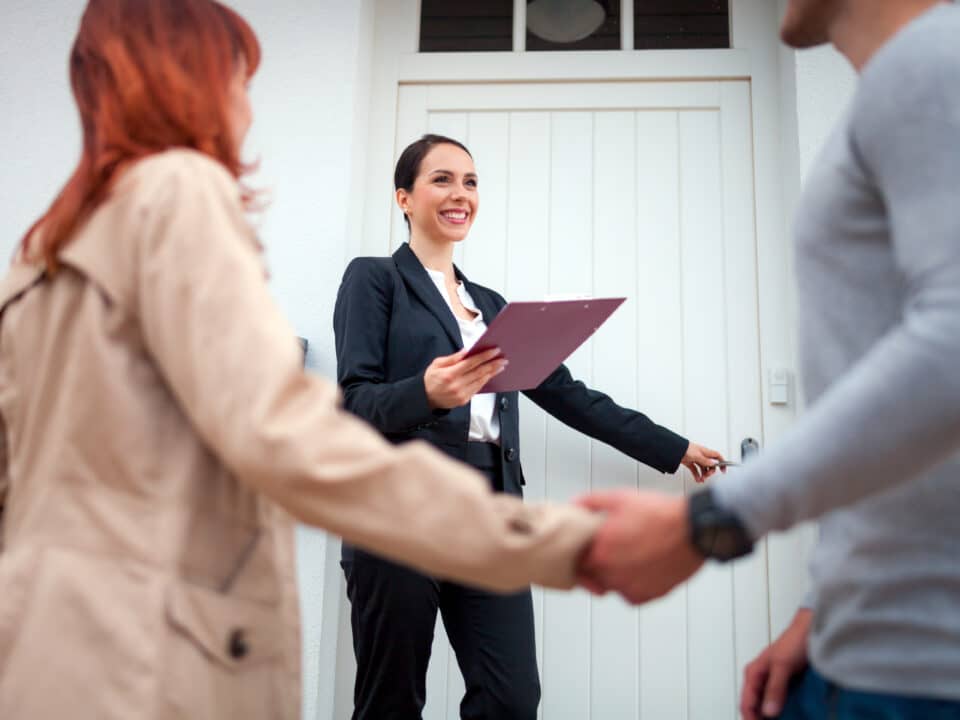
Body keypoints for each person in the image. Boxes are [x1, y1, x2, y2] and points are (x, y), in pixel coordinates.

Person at [0, 3, 601, 719]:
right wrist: (556, 539)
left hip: (47, 623)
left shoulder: (46, 245)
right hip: (153, 624)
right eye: (238, 82)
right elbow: (293, 432)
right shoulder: (179, 196)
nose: (247, 111)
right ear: (189, 84)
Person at [576, 1, 960, 719]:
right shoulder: (899, 87)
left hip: (924, 676)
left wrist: (709, 522)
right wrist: (821, 614)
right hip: (861, 646)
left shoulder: (930, 63)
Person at [333, 132, 725, 720]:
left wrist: (675, 447)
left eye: (470, 181)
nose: (460, 193)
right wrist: (426, 392)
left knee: (512, 698)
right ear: (404, 198)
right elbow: (353, 404)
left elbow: (570, 397)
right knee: (390, 701)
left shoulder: (492, 306)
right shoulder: (375, 279)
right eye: (441, 179)